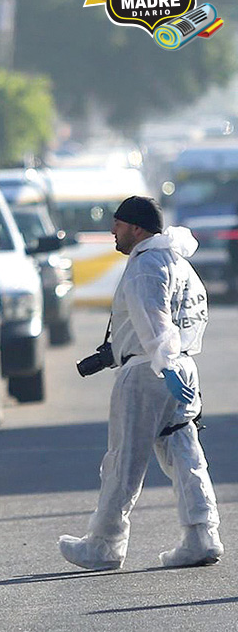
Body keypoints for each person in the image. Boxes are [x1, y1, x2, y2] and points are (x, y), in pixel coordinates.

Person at [59, 196, 223, 571]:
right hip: (181, 368)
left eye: (117, 225)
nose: (112, 232)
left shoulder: (146, 266)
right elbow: (192, 317)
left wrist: (161, 364)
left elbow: (154, 321)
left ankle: (104, 544)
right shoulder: (178, 263)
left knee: (123, 460)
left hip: (150, 371)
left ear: (136, 228)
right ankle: (201, 535)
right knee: (185, 455)